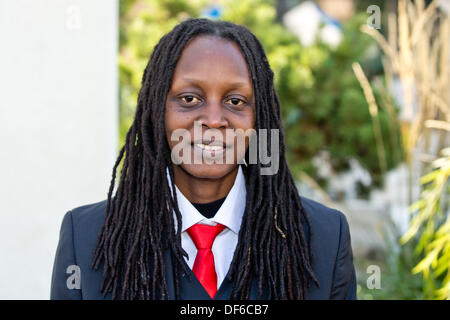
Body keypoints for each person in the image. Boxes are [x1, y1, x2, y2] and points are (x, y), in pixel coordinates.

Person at [51, 18, 356, 300]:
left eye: (235, 101)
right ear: (157, 109)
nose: (213, 120)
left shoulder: (324, 239)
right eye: (189, 99)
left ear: (259, 118)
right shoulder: (87, 237)